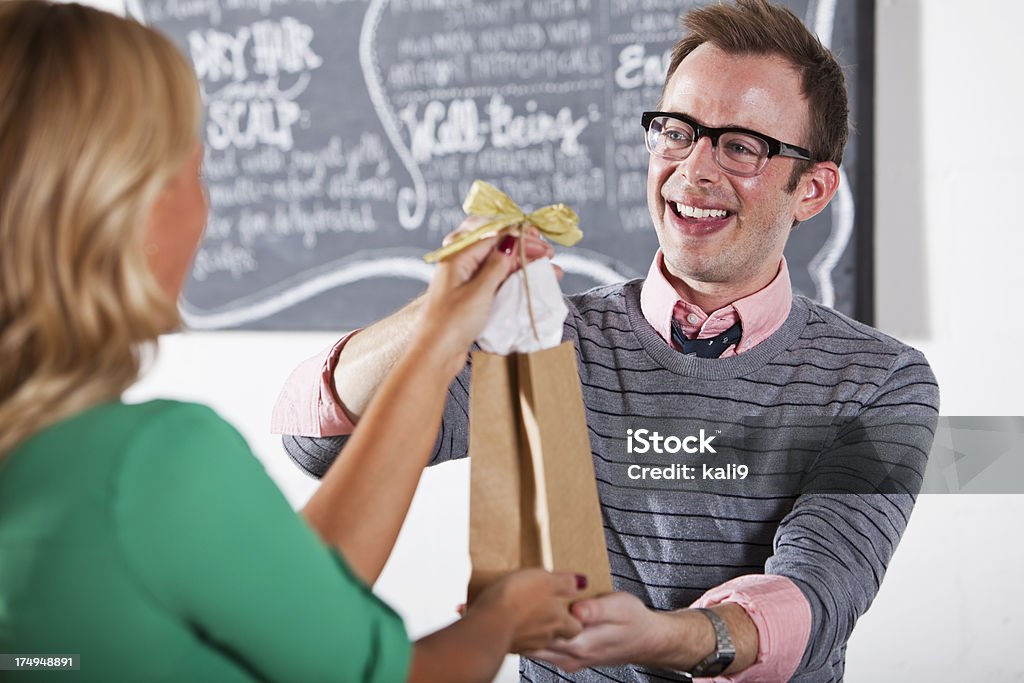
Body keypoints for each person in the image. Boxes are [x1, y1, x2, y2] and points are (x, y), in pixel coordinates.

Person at [273, 0, 939, 681]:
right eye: (678, 132)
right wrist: (435, 315)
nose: (694, 170)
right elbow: (319, 440)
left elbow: (821, 596)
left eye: (741, 146)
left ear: (814, 190)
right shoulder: (543, 339)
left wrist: (658, 636)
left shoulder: (880, 380)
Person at [0, 3, 586, 681]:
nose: (204, 204)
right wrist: (501, 620)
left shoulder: (53, 455)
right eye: (192, 169)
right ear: (124, 202)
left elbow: (295, 594)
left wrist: (438, 334)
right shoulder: (153, 463)